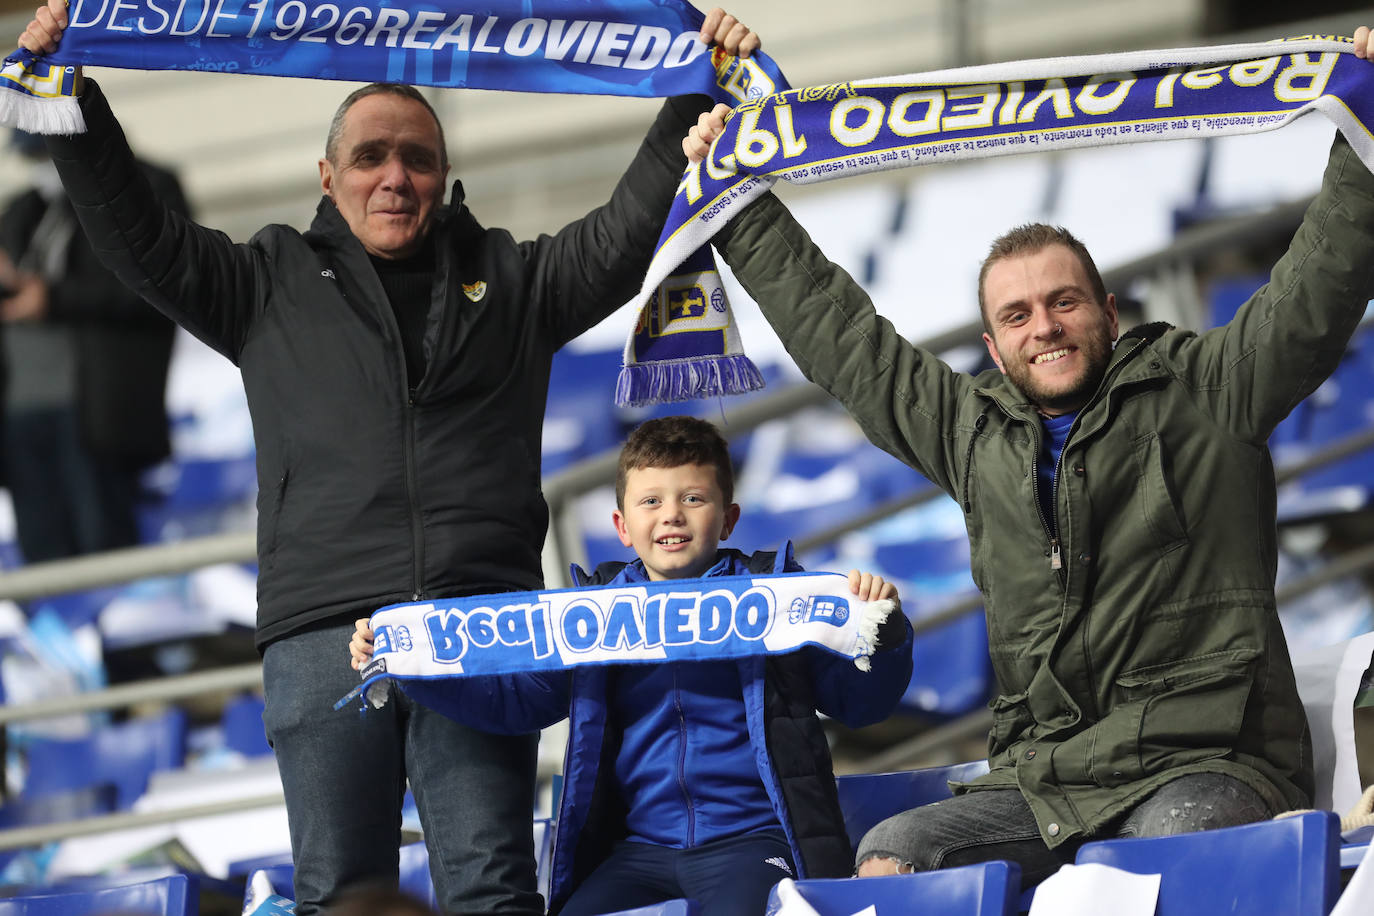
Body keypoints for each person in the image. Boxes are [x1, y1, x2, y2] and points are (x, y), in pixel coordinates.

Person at [16, 4, 761, 913]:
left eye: (416, 158)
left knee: (493, 891)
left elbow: (620, 233)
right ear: (327, 177)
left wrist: (693, 79)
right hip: (321, 638)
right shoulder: (261, 282)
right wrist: (72, 99)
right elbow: (136, 234)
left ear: (446, 176)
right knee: (341, 900)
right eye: (370, 157)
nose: (394, 176)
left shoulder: (515, 282)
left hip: (481, 632)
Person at [681, 25, 1374, 888]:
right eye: (1017, 316)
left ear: (1109, 313)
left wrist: (1366, 130)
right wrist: (738, 208)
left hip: (1206, 765)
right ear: (993, 343)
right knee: (895, 857)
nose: (1043, 326)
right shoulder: (969, 433)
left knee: (1149, 861)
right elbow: (846, 341)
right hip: (1045, 777)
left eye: (1064, 302)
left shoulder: (1211, 390)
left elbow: (1318, 287)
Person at [350, 415, 915, 916]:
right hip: (638, 853)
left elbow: (863, 705)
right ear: (622, 526)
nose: (671, 514)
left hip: (753, 842)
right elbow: (517, 702)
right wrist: (409, 665)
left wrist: (883, 630)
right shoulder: (590, 616)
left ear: (728, 518)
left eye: (693, 498)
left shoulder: (779, 596)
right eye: (650, 502)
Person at [0, 129, 185, 563]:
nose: (41, 168)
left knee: (106, 548)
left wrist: (55, 298)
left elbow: (157, 285)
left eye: (45, 154)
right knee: (43, 555)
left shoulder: (144, 187)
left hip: (97, 411)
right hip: (21, 412)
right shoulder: (23, 211)